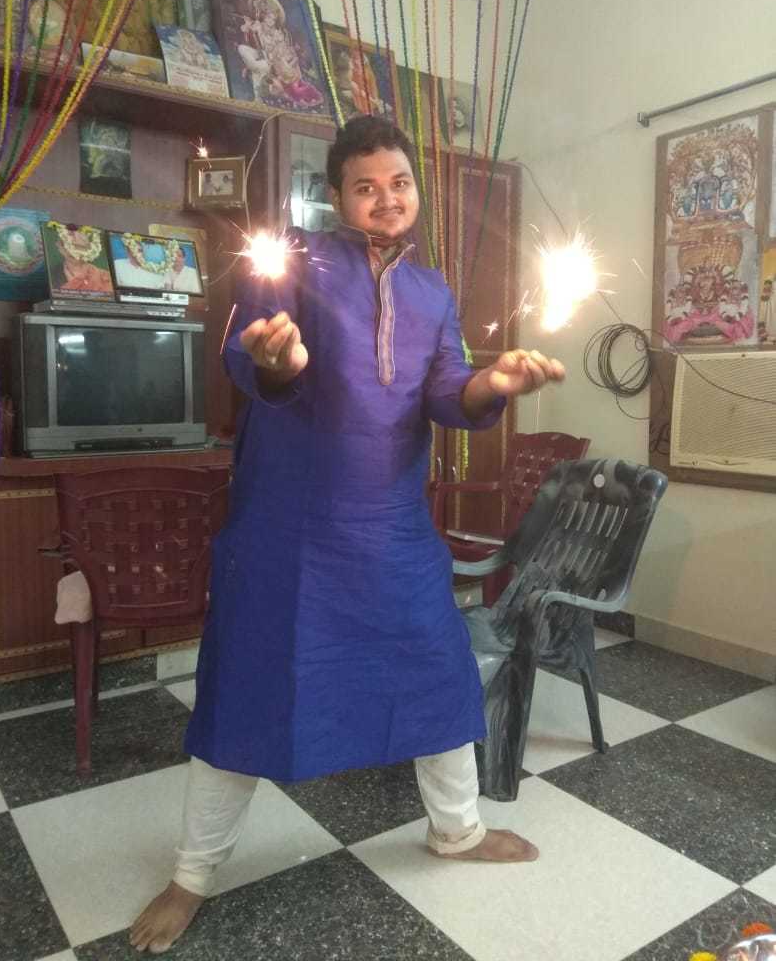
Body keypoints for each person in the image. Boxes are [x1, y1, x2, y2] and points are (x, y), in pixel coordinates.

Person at [129, 116, 565, 954]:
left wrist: (493, 383)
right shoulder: (294, 262)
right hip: (287, 535)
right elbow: (249, 358)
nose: (386, 199)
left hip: (393, 530)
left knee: (437, 673)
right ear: (336, 197)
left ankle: (458, 830)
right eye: (366, 187)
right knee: (247, 693)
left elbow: (447, 392)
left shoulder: (433, 292)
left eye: (399, 183)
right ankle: (192, 874)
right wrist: (278, 361)